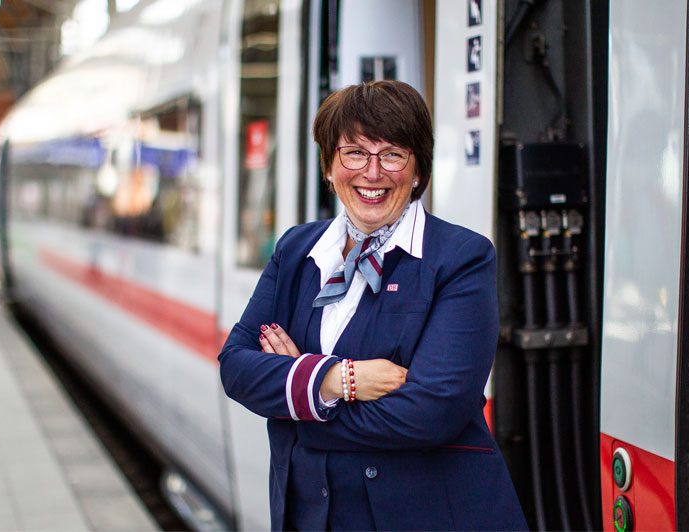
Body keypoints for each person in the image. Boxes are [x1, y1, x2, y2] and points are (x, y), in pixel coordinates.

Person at [219, 80, 527, 531]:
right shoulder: (297, 250)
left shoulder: (460, 258)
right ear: (329, 165)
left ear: (418, 170)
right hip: (309, 515)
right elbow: (236, 367)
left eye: (393, 154)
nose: (373, 172)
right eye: (355, 153)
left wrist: (297, 401)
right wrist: (339, 379)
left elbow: (433, 412)